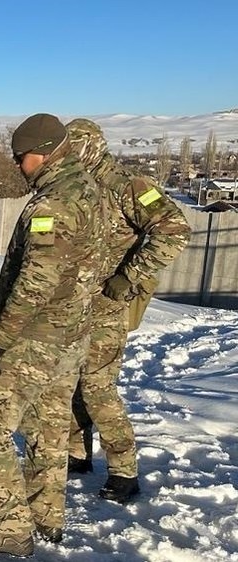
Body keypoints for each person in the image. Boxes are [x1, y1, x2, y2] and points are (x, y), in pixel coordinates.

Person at [0, 114, 104, 555]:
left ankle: (12, 527)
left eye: (20, 158)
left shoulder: (53, 204)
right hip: (70, 338)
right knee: (49, 429)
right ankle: (46, 516)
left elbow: (35, 283)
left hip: (33, 341)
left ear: (40, 153)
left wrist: (1, 338)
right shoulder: (88, 189)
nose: (19, 166)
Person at [65, 119, 191, 502]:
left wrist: (129, 277)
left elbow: (175, 228)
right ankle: (76, 453)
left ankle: (124, 470)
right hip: (75, 303)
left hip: (106, 304)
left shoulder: (128, 186)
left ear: (90, 147)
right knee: (70, 381)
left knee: (98, 388)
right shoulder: (76, 187)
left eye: (72, 148)